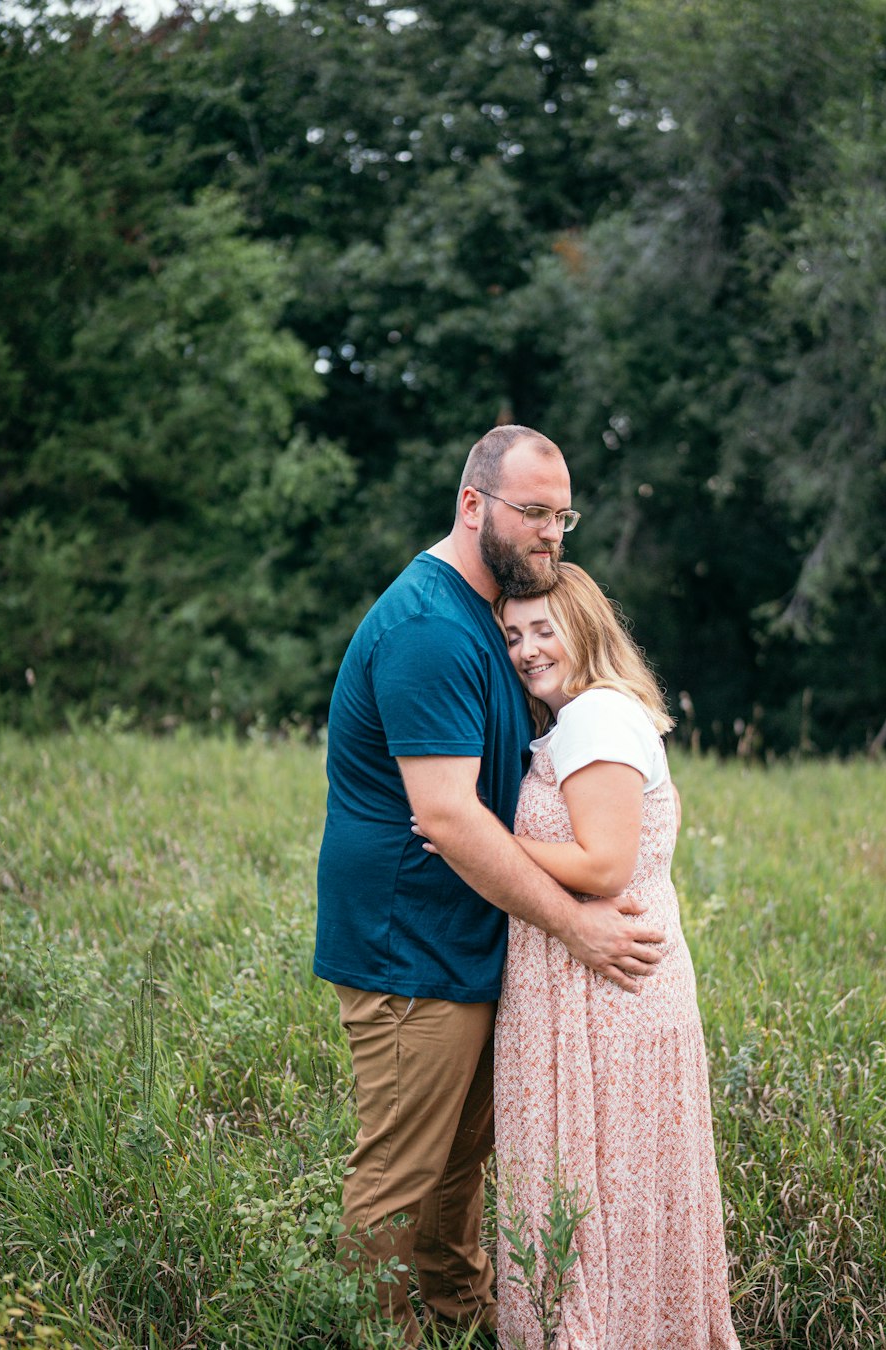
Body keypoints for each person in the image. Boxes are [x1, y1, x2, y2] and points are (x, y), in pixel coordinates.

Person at [314, 426, 665, 1346]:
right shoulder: (430, 627)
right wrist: (580, 928)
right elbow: (450, 817)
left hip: (469, 942)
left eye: (563, 516)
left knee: (456, 1176)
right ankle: (379, 1337)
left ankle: (464, 1328)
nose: (553, 534)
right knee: (400, 1180)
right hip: (409, 949)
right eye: (534, 513)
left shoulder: (489, 614)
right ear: (473, 505)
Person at [489, 564, 740, 1349]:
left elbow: (604, 864)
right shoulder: (580, 719)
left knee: (600, 1197)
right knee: (611, 1199)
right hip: (592, 986)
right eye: (513, 636)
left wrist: (481, 840)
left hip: (604, 996)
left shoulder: (597, 716)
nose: (528, 650)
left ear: (586, 626)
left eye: (543, 628)